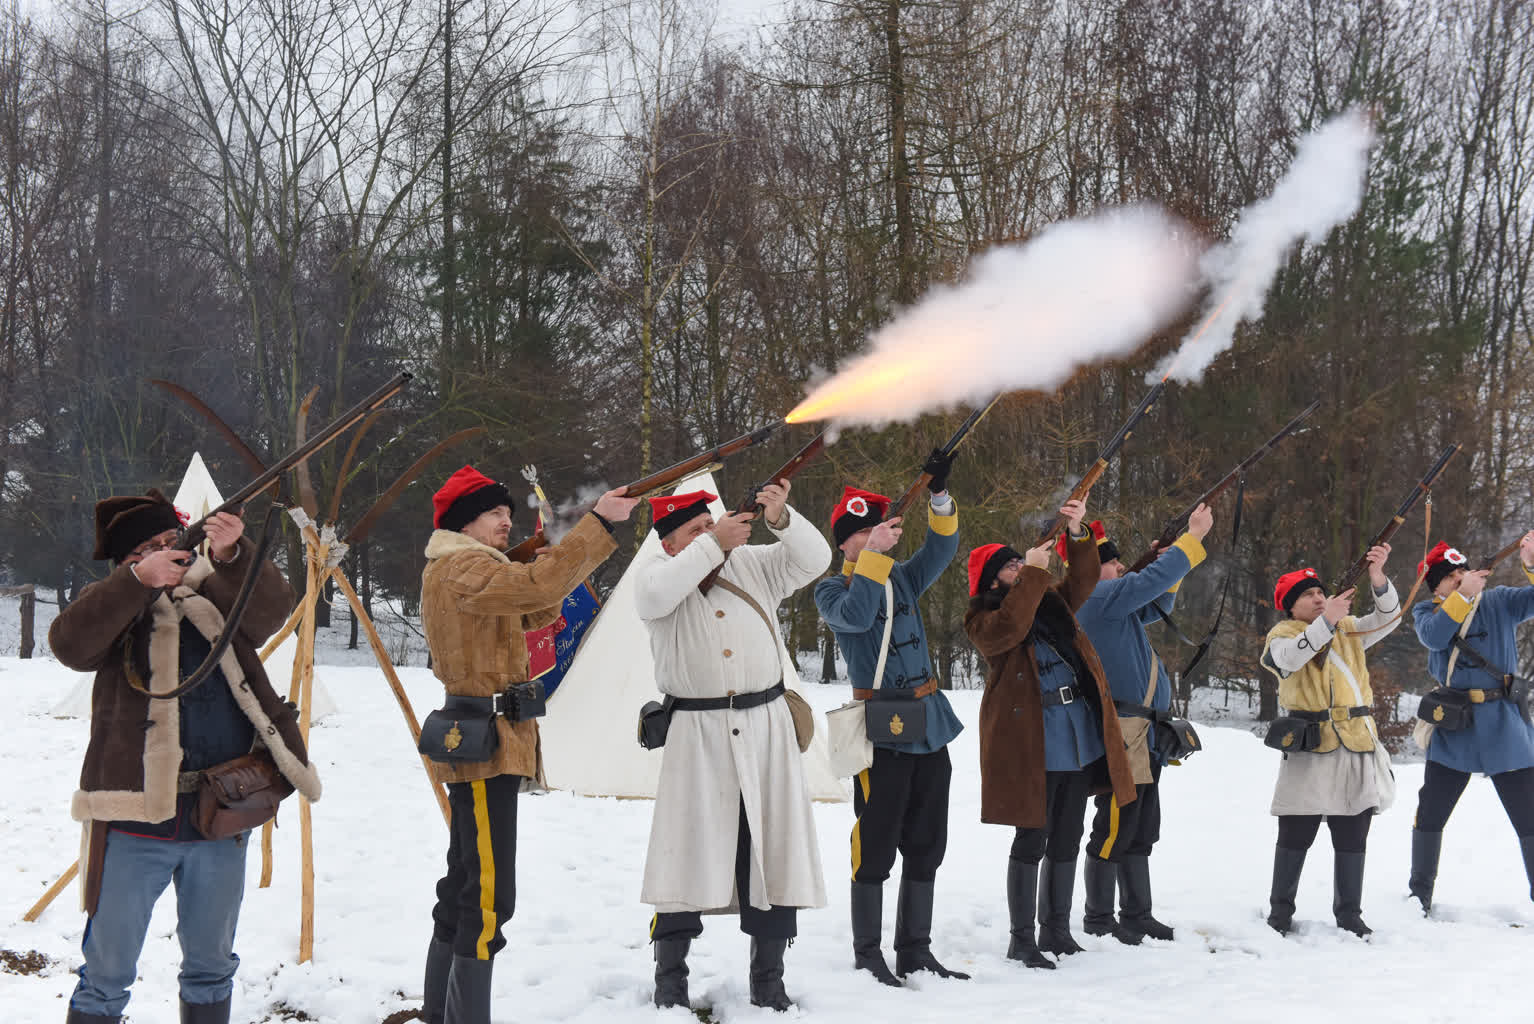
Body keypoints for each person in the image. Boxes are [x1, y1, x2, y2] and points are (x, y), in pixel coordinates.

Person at [49, 489, 316, 1024]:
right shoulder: (112, 604)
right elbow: (71, 645)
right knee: (105, 976)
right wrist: (136, 585)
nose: (168, 553)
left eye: (172, 541)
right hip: (132, 821)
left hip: (219, 813)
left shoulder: (216, 598)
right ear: (128, 560)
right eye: (149, 548)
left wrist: (233, 554)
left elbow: (269, 613)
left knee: (212, 967)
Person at [419, 465, 636, 1024]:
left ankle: (440, 1013)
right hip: (486, 743)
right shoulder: (462, 566)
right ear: (466, 521)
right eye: (495, 514)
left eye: (507, 515)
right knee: (489, 897)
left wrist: (545, 555)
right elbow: (540, 591)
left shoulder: (471, 567)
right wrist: (598, 526)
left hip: (490, 739)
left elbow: (539, 607)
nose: (505, 523)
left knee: (467, 881)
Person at [635, 481, 829, 1012]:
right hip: (696, 739)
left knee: (769, 856)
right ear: (670, 544)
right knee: (684, 859)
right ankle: (669, 979)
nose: (707, 535)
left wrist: (780, 515)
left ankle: (769, 980)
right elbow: (657, 594)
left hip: (765, 730)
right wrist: (712, 542)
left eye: (709, 525)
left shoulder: (750, 563)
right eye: (693, 531)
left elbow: (816, 559)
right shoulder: (657, 576)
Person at [814, 455, 968, 986]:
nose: (870, 538)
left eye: (874, 530)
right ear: (844, 545)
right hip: (879, 730)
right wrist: (874, 557)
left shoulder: (901, 577)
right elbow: (856, 617)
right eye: (859, 534)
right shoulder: (830, 590)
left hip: (927, 722)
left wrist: (940, 497)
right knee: (876, 843)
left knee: (928, 841)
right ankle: (868, 951)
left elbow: (943, 548)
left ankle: (916, 948)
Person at [963, 500, 1136, 969]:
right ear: (991, 580)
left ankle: (1056, 930)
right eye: (1009, 566)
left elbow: (1083, 580)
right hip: (1032, 743)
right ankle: (1022, 939)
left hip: (1076, 734)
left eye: (1018, 561)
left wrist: (1077, 533)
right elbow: (1011, 627)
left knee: (1068, 835)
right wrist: (1033, 576)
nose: (1019, 567)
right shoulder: (984, 620)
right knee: (1031, 839)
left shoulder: (1049, 603)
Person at [1074, 507, 1213, 944]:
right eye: (1113, 562)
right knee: (1116, 822)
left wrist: (1165, 561)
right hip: (1122, 731)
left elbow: (1158, 599)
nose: (1119, 567)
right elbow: (1149, 584)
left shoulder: (1116, 603)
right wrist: (1190, 542)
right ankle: (1099, 917)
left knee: (1140, 824)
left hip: (1144, 732)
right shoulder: (1093, 598)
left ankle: (1137, 913)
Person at [1260, 546, 1400, 937]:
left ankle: (1349, 914)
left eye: (1321, 592)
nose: (1319, 598)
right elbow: (1290, 658)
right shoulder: (1281, 635)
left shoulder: (1349, 628)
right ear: (1291, 606)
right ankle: (1279, 914)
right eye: (1308, 595)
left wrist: (1377, 577)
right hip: (1310, 744)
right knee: (1295, 834)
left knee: (1353, 834)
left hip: (1356, 741)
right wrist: (1329, 621)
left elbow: (1389, 618)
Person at [1408, 534, 1534, 913]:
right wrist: (1462, 598)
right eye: (1451, 577)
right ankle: (1419, 896)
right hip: (1454, 725)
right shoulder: (1426, 612)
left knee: (1528, 814)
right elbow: (1435, 637)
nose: (1461, 579)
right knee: (1431, 810)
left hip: (1503, 723)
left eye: (1463, 572)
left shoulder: (1496, 601)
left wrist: (1530, 562)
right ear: (1437, 586)